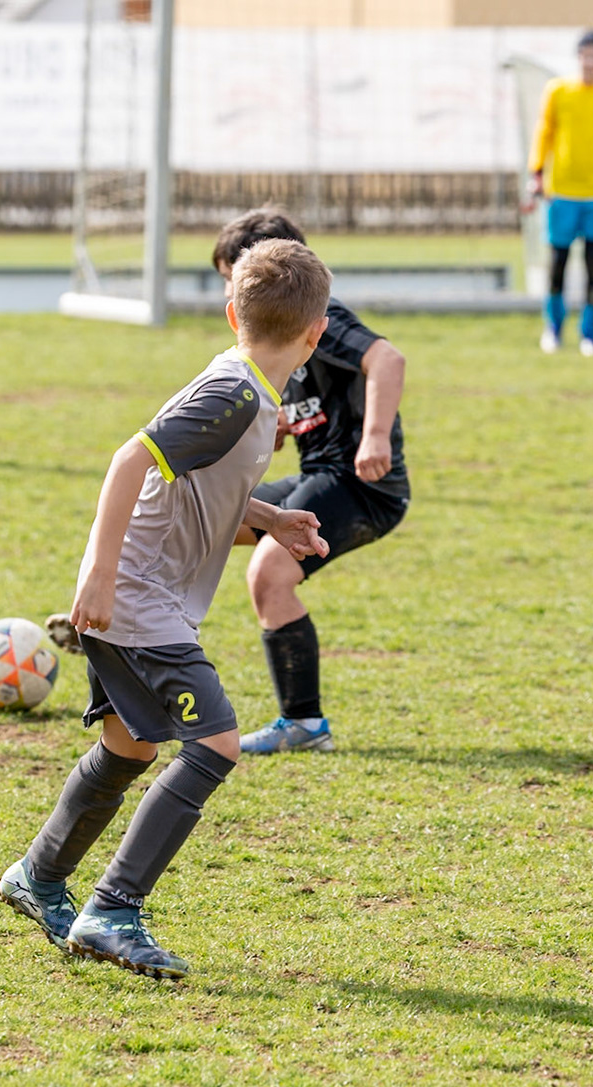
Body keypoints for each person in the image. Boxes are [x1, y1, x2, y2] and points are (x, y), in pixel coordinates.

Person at [0, 239, 334, 981]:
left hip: (139, 597)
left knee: (129, 747)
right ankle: (113, 910)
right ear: (316, 332)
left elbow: (199, 485)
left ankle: (38, 876)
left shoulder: (247, 389)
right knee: (215, 744)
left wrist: (270, 519)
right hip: (137, 600)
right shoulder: (234, 396)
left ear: (232, 314)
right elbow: (130, 460)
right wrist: (99, 574)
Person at [210, 208, 412, 756]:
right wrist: (281, 424)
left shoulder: (323, 315)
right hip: (320, 474)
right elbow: (313, 402)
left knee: (269, 573)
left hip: (362, 484)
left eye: (230, 276)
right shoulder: (277, 332)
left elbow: (387, 359)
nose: (227, 291)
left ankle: (304, 723)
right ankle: (142, 638)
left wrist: (375, 437)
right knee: (209, 518)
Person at [524, 28, 593, 357]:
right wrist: (537, 173)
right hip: (562, 191)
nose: (589, 61)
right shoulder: (558, 91)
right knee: (557, 264)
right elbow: (543, 133)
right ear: (577, 57)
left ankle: (590, 334)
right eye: (584, 54)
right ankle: (553, 329)